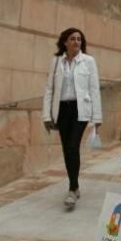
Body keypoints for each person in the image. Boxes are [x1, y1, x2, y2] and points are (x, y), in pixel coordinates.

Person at [42, 27, 102, 209]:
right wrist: (46, 115)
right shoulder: (56, 62)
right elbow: (49, 89)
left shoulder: (88, 61)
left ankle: (72, 188)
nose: (77, 42)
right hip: (62, 110)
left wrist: (97, 117)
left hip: (80, 110)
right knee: (66, 149)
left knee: (72, 145)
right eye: (73, 39)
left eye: (79, 39)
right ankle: (74, 187)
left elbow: (94, 89)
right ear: (65, 42)